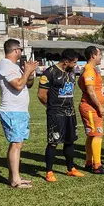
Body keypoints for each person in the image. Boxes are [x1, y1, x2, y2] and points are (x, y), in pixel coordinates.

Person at [0, 39, 38, 188]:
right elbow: (18, 85)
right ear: (15, 50)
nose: (21, 52)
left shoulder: (14, 66)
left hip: (19, 111)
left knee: (17, 143)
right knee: (16, 144)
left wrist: (30, 74)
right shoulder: (6, 65)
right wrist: (26, 71)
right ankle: (15, 179)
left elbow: (28, 84)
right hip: (12, 111)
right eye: (20, 49)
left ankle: (14, 176)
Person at [38, 48, 85, 181]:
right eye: (74, 62)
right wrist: (52, 107)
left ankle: (71, 168)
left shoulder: (71, 72)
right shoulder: (50, 73)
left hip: (70, 112)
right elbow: (41, 95)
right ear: (65, 61)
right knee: (53, 142)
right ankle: (49, 172)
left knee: (70, 140)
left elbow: (72, 89)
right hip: (56, 113)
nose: (75, 65)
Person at [78, 45, 104, 174]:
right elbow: (90, 91)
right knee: (97, 134)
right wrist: (99, 106)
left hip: (92, 107)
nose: (101, 57)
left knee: (92, 135)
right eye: (99, 54)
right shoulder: (89, 70)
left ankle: (89, 163)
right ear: (93, 56)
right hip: (91, 108)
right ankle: (97, 165)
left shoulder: (91, 69)